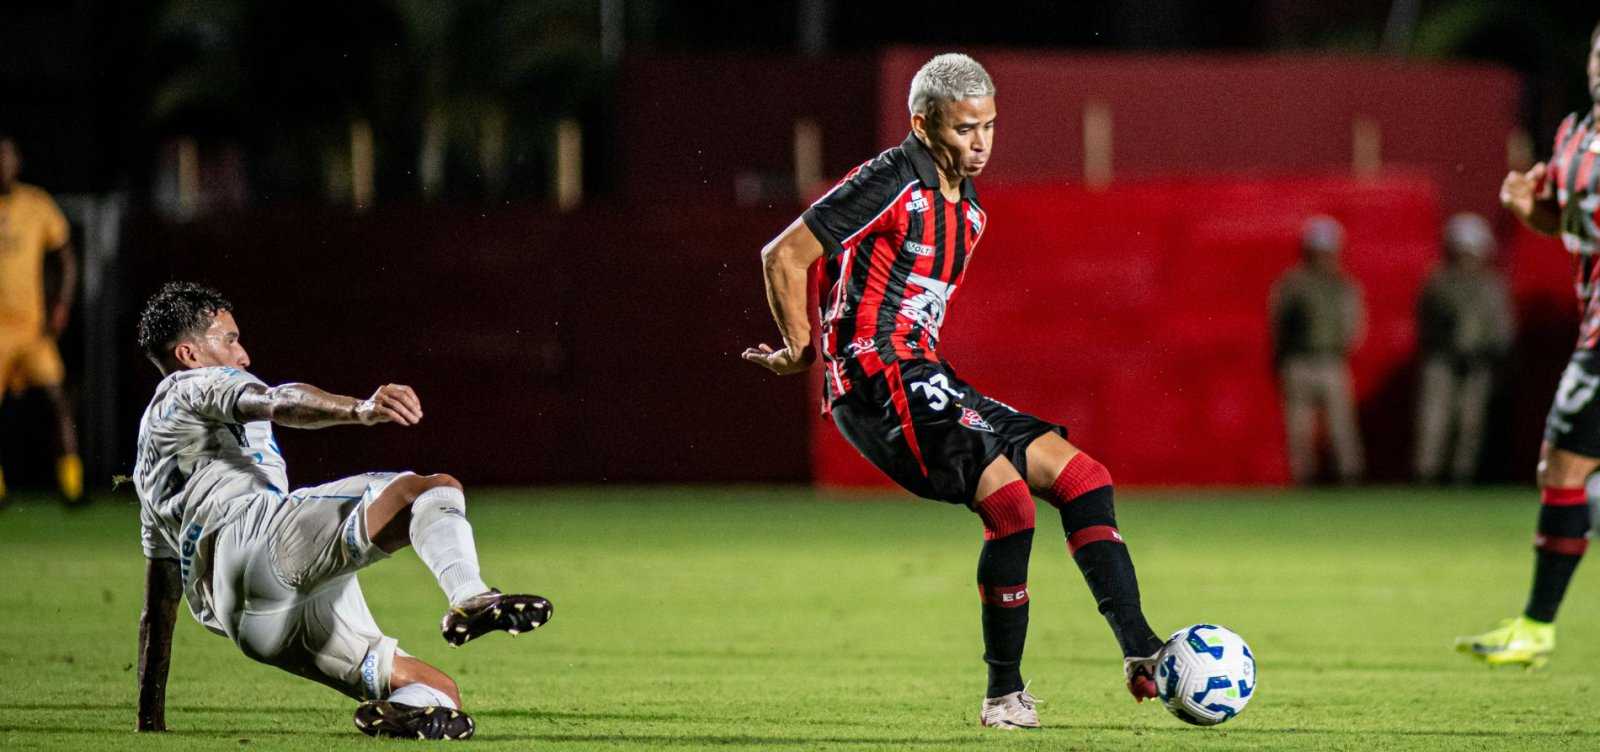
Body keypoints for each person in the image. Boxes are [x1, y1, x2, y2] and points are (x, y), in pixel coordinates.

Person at [741, 53, 1165, 730]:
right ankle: (1004, 697)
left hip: (923, 373)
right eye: (966, 128)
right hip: (877, 378)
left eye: (990, 127)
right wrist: (802, 348)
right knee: (1011, 505)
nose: (981, 143)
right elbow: (785, 255)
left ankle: (1142, 654)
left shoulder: (966, 209)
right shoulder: (891, 178)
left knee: (1084, 476)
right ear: (922, 122)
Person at [132, 282, 552, 739]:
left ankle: (397, 716)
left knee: (439, 692)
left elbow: (160, 601)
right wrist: (361, 409)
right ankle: (471, 597)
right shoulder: (192, 384)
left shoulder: (148, 464)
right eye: (230, 339)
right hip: (258, 542)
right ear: (189, 354)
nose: (243, 355)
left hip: (247, 622)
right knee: (428, 490)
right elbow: (277, 400)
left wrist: (149, 719)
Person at [1457, 20, 1600, 669]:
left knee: (1567, 473)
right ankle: (1536, 628)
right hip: (1594, 327)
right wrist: (1528, 206)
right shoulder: (1574, 133)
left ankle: (1538, 626)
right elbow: (1571, 222)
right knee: (1562, 472)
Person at [0, 132, 81, 506]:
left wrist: (61, 303)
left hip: (31, 328)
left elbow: (65, 256)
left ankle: (72, 485)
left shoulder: (36, 204)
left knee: (57, 397)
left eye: (7, 156)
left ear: (18, 163)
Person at [1413, 213, 1515, 484]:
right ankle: (1427, 474)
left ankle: (1462, 476)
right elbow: (1427, 320)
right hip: (1442, 359)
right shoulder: (1439, 281)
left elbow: (1501, 325)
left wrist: (1494, 353)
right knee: (1435, 418)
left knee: (1470, 421)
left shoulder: (1491, 285)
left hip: (1478, 362)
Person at [1269, 216, 1367, 484]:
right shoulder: (1293, 284)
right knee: (1299, 427)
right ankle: (1304, 478)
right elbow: (1278, 322)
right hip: (1298, 361)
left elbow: (1354, 323)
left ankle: (1348, 476)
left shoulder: (1343, 285)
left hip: (1331, 360)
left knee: (1341, 426)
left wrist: (1343, 347)